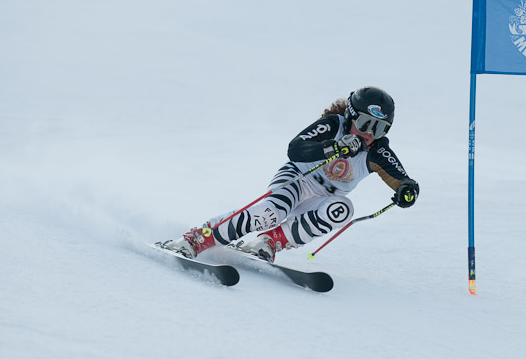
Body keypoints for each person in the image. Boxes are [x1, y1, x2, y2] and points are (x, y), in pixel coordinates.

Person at [161, 86, 419, 262]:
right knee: (271, 212)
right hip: (298, 179)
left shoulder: (377, 150)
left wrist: (407, 190)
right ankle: (197, 239)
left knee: (342, 209)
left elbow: (399, 176)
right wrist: (336, 147)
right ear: (351, 117)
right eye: (365, 124)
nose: (369, 134)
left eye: (380, 129)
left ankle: (269, 241)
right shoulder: (334, 126)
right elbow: (295, 149)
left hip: (324, 198)